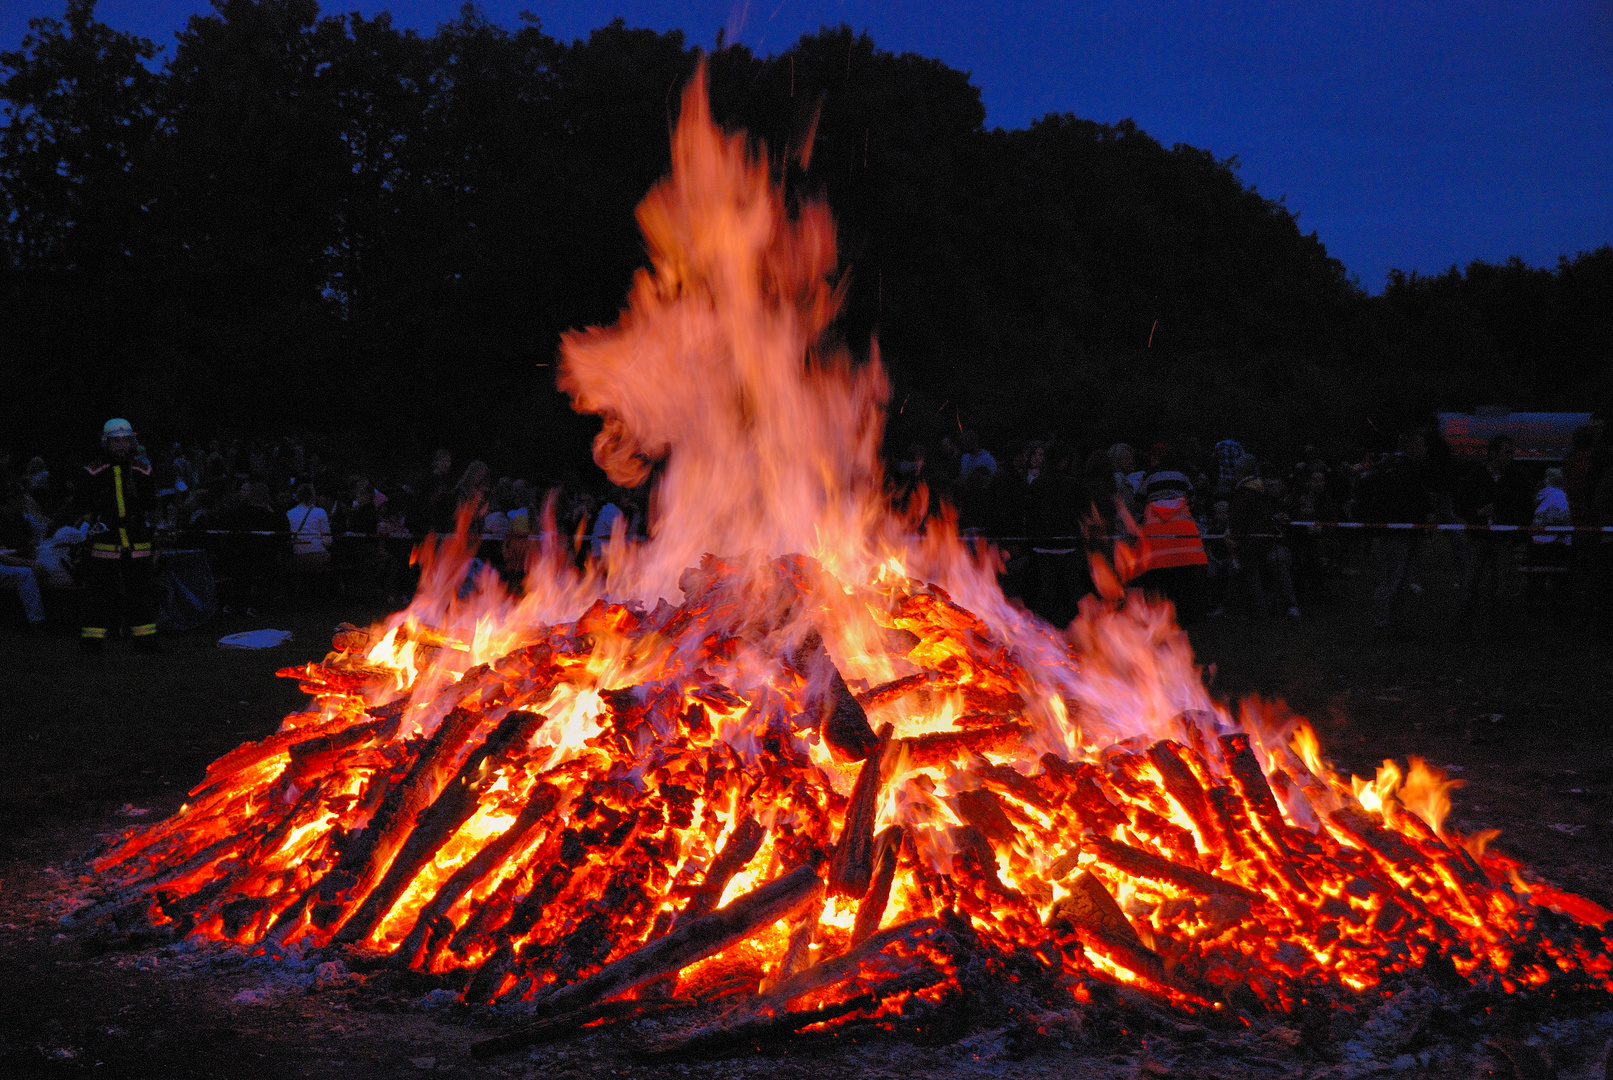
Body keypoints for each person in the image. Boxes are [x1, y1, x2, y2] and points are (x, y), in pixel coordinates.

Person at [78, 418, 160, 652]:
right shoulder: (93, 471)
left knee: (142, 594)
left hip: (137, 538)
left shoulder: (142, 470)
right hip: (105, 540)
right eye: (116, 441)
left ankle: (146, 642)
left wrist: (153, 528)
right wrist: (92, 522)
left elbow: (152, 503)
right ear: (107, 442)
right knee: (100, 595)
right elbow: (82, 505)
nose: (121, 446)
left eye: (126, 440)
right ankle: (92, 643)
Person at [1454, 435, 1534, 637]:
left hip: (1502, 537)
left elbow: (1526, 509)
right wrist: (1477, 513)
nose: (1511, 457)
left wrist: (1505, 517)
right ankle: (1464, 626)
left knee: (1502, 584)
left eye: (1511, 453)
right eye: (1507, 453)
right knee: (1470, 582)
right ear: (1493, 454)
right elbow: (1460, 504)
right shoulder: (1475, 476)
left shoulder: (1517, 478)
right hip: (1479, 535)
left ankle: (1498, 627)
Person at [1132, 455, 1209, 622]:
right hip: (1184, 543)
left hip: (1157, 544)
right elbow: (1193, 500)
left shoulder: (1149, 478)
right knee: (1184, 581)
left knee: (1160, 581)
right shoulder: (1182, 477)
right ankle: (1187, 618)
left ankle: (1160, 618)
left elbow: (1138, 502)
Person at [0, 482, 47, 629]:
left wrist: (34, 558)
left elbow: (31, 545)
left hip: (17, 561)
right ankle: (37, 622)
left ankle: (23, 617)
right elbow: (2, 556)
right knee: (25, 574)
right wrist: (30, 563)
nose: (23, 502)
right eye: (20, 499)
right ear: (10, 500)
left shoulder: (22, 520)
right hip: (5, 563)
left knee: (43, 569)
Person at [287, 483, 332, 570]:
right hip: (317, 552)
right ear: (313, 496)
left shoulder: (290, 513)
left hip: (298, 553)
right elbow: (327, 539)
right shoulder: (320, 512)